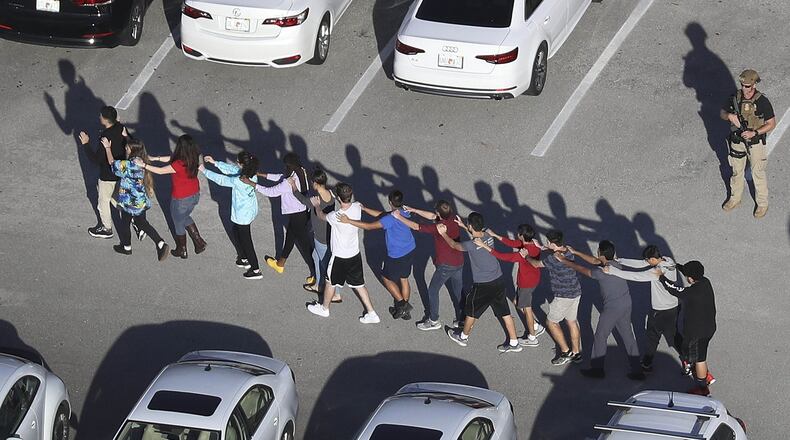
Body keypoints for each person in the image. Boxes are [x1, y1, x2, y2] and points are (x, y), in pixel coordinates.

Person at [556, 241, 644, 380]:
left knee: (600, 336)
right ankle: (637, 370)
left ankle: (597, 369)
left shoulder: (601, 272)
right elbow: (595, 261)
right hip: (626, 304)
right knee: (628, 335)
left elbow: (582, 269)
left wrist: (564, 260)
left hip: (612, 309)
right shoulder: (615, 264)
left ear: (600, 252)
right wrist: (575, 252)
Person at [441, 213, 522, 353]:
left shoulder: (470, 244)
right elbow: (477, 235)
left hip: (483, 284)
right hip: (498, 279)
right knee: (505, 312)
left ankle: (463, 337)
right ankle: (514, 342)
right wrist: (463, 226)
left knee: (471, 311)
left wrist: (443, 234)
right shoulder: (487, 235)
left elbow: (454, 245)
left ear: (471, 226)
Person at [306, 183, 380, 324]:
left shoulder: (336, 216)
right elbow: (351, 204)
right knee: (359, 284)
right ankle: (371, 313)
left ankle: (324, 308)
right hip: (354, 254)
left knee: (330, 282)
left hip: (339, 257)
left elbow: (321, 216)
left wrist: (316, 205)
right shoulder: (357, 206)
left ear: (339, 198)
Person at [339, 190, 417, 320]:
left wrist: (348, 221)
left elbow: (369, 226)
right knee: (404, 278)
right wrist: (364, 209)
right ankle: (404, 309)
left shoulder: (390, 219)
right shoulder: (403, 211)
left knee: (386, 278)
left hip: (396, 255)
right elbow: (382, 215)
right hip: (409, 249)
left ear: (390, 202)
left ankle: (403, 305)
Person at [604, 245, 679, 372]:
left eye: (648, 260)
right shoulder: (668, 260)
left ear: (652, 259)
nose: (646, 262)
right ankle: (690, 359)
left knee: (652, 337)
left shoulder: (657, 272)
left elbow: (636, 276)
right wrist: (620, 260)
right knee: (673, 335)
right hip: (674, 307)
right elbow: (641, 263)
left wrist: (612, 271)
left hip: (659, 310)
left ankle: (646, 364)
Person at [390, 201, 464, 330]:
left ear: (439, 214)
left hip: (446, 265)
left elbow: (415, 226)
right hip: (459, 261)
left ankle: (433, 320)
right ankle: (463, 319)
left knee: (433, 291)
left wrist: (398, 217)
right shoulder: (452, 218)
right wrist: (414, 209)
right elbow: (432, 217)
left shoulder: (439, 227)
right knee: (458, 291)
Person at [251, 153, 316, 285]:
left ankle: (316, 274)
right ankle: (280, 263)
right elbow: (281, 177)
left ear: (289, 166)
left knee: (306, 246)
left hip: (297, 215)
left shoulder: (289, 181)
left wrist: (253, 184)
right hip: (302, 212)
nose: (285, 167)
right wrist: (262, 175)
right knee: (290, 237)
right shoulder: (301, 171)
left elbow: (272, 192)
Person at [138, 135, 206, 259]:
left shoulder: (179, 164)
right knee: (184, 216)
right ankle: (199, 242)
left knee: (178, 222)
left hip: (181, 198)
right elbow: (172, 159)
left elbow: (161, 171)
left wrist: (144, 165)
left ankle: (182, 249)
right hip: (194, 194)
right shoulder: (193, 157)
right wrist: (155, 158)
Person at [721, 69, 777, 218]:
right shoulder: (736, 98)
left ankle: (762, 204)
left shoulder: (762, 101)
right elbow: (722, 113)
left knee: (758, 172)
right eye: (742, 85)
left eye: (747, 86)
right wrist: (730, 116)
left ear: (753, 85)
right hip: (737, 140)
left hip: (754, 142)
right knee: (736, 171)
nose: (744, 88)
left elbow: (771, 123)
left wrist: (755, 133)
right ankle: (735, 198)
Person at [101, 138, 169, 260]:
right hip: (141, 200)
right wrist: (125, 134)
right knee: (142, 222)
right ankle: (160, 243)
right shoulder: (141, 161)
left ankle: (126, 247)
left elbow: (112, 163)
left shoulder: (129, 164)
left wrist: (107, 148)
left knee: (125, 223)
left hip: (129, 202)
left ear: (132, 150)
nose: (125, 148)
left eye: (127, 147)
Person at [657, 261, 717, 395]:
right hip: (709, 328)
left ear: (690, 278)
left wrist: (661, 276)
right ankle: (704, 374)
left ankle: (702, 387)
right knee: (700, 353)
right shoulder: (706, 282)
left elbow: (674, 289)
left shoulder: (691, 292)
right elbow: (689, 273)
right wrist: (677, 266)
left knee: (699, 358)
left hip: (697, 332)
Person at [201, 152, 262, 280]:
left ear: (241, 164)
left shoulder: (239, 180)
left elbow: (222, 180)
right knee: (235, 231)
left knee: (247, 242)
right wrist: (215, 163)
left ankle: (255, 269)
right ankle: (243, 258)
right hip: (249, 210)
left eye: (237, 161)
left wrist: (203, 170)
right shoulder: (251, 173)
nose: (236, 163)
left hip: (242, 215)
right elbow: (232, 169)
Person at [484, 225, 546, 346]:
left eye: (518, 234)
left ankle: (533, 337)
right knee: (517, 302)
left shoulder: (522, 254)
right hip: (533, 279)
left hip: (526, 283)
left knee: (527, 309)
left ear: (522, 236)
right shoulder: (533, 244)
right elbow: (513, 243)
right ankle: (535, 325)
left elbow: (502, 256)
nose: (517, 235)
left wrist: (484, 246)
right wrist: (495, 235)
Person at [288, 168, 342, 302]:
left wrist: (293, 185)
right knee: (315, 256)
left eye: (312, 182)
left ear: (316, 184)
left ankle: (336, 293)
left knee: (327, 265)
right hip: (329, 234)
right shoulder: (330, 194)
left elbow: (300, 198)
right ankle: (318, 284)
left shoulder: (316, 201)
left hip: (321, 238)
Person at [531, 231, 583, 365]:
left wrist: (526, 256)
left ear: (553, 244)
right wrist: (543, 247)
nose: (547, 244)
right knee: (572, 322)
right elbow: (555, 249)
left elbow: (536, 264)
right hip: (575, 292)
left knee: (551, 323)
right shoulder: (568, 250)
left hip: (563, 296)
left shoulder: (553, 259)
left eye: (548, 242)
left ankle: (566, 352)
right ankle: (577, 353)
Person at [79, 105, 125, 239]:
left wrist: (86, 144)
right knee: (115, 197)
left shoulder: (105, 137)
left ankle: (106, 228)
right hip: (120, 171)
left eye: (101, 116)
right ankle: (132, 215)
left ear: (105, 120)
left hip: (107, 175)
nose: (99, 117)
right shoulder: (121, 128)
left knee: (103, 201)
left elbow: (96, 159)